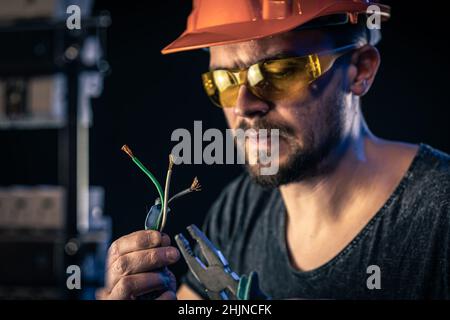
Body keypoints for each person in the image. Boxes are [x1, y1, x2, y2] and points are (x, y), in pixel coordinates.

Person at [97, 0, 450, 300]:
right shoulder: (241, 209)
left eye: (280, 71)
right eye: (225, 80)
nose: (244, 105)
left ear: (360, 70)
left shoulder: (439, 213)